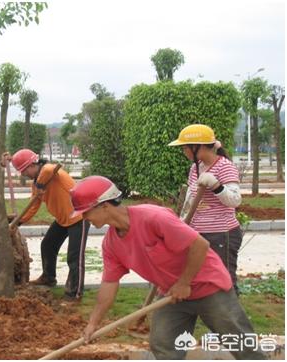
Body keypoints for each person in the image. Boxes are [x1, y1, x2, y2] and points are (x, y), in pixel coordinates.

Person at [71, 176, 265, 360]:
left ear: (104, 206)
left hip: (209, 287)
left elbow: (200, 245)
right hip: (173, 296)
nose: (84, 217)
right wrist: (93, 324)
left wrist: (184, 283)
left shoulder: (152, 217)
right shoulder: (111, 244)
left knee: (241, 344)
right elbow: (109, 285)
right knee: (163, 344)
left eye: (85, 212)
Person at [1, 148, 89, 300]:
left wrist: (41, 185)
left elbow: (49, 169)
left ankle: (74, 293)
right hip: (63, 220)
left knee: (74, 258)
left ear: (32, 164)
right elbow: (33, 206)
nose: (23, 175)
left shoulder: (51, 172)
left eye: (24, 170)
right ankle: (49, 277)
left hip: (78, 218)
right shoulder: (36, 184)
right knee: (47, 245)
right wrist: (18, 222)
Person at [169, 124, 243, 293]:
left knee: (224, 280)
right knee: (202, 280)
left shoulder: (224, 166)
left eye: (185, 147)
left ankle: (231, 316)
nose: (184, 151)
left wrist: (216, 185)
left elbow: (235, 200)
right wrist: (181, 223)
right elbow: (191, 198)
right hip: (198, 234)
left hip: (221, 235)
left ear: (199, 146)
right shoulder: (195, 168)